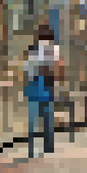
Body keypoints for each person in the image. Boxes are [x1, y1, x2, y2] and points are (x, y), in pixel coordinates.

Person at [23, 23, 63, 156]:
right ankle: (48, 146)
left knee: (33, 119)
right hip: (47, 85)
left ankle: (31, 148)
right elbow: (56, 67)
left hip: (33, 85)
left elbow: (26, 69)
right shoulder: (53, 49)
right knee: (48, 118)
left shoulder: (32, 49)